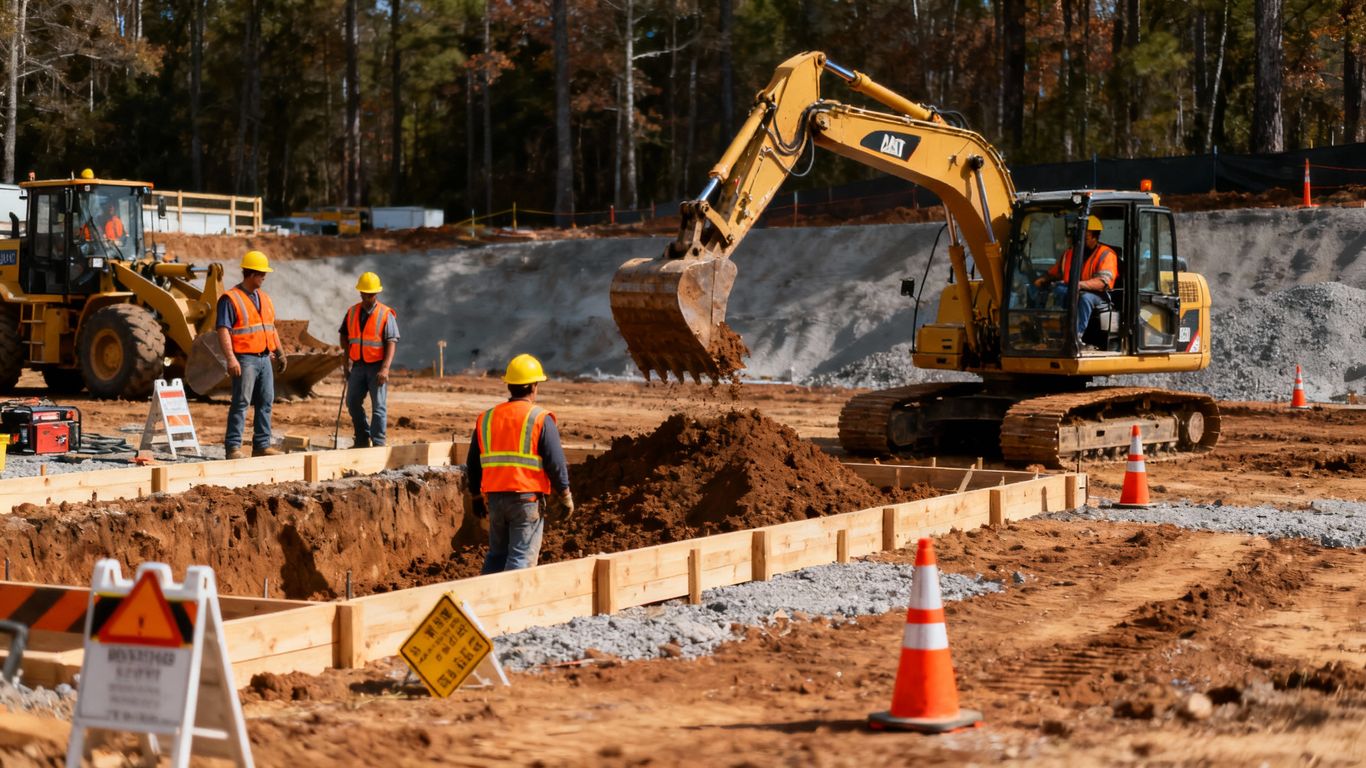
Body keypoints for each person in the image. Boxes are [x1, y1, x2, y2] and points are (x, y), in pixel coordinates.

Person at [466, 354, 573, 574]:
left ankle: (487, 603)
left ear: (510, 386)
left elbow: (473, 462)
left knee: (497, 555)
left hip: (495, 498)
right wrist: (565, 495)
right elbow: (555, 462)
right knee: (521, 559)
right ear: (534, 386)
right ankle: (512, 606)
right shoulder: (540, 418)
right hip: (527, 499)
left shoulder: (487, 418)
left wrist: (476, 496)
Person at [216, 250, 286, 459]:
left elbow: (270, 328)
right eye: (262, 273)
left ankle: (261, 445)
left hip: (265, 358)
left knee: (266, 401)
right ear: (252, 274)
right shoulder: (230, 299)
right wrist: (231, 358)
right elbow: (223, 330)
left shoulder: (265, 298)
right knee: (241, 402)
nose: (264, 277)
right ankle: (233, 447)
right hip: (245, 359)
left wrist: (280, 353)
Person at [1031, 215, 1118, 345]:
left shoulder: (1106, 254)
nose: (1081, 241)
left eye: (1086, 237)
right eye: (1079, 237)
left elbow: (1102, 282)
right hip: (1071, 288)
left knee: (1085, 298)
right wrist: (1043, 279)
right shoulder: (1070, 253)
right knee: (1051, 291)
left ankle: (1076, 335)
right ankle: (1044, 330)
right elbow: (1057, 273)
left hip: (1098, 294)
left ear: (1095, 237)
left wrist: (1079, 285)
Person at [339, 271, 399, 447]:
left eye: (371, 294)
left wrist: (385, 368)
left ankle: (378, 442)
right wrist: (345, 362)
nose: (367, 297)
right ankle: (362, 438)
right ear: (360, 292)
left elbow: (391, 342)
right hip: (358, 366)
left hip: (376, 368)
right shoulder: (352, 312)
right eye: (365, 293)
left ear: (377, 293)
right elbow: (344, 336)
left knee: (378, 407)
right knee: (352, 402)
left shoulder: (385, 314)